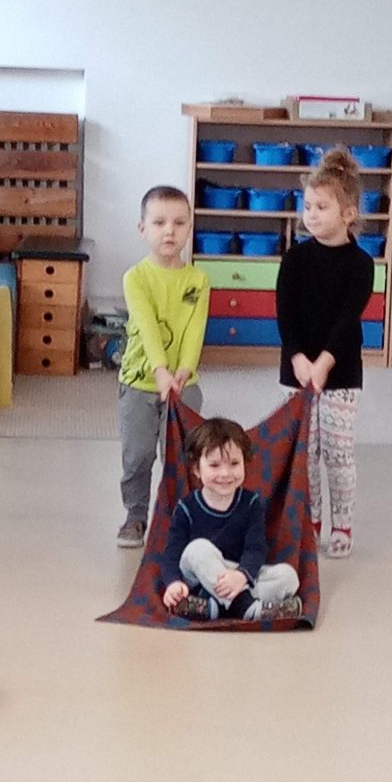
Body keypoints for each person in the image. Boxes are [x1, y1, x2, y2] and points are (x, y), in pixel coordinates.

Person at [275, 146, 375, 558]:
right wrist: (299, 359)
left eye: (322, 207)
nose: (311, 215)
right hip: (296, 372)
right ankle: (310, 520)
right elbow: (285, 314)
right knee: (304, 453)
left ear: (348, 213)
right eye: (308, 207)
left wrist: (324, 364)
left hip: (341, 373)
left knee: (337, 453)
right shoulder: (294, 259)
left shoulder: (361, 264)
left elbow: (347, 320)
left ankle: (342, 524)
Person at [117, 185, 211, 548]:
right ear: (143, 228)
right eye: (159, 223)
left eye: (179, 223)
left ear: (189, 228)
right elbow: (147, 326)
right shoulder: (135, 278)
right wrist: (160, 371)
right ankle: (135, 516)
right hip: (139, 383)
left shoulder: (198, 281)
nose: (169, 231)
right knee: (137, 456)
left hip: (184, 385)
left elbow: (195, 330)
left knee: (181, 457)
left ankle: (179, 518)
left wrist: (184, 370)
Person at [161, 417, 301, 621]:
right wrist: (173, 583)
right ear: (197, 470)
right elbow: (172, 554)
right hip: (201, 577)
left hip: (236, 574)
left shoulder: (251, 503)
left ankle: (216, 607)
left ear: (245, 463)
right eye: (214, 465)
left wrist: (241, 576)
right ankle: (246, 608)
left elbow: (255, 549)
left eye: (234, 463)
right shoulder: (186, 508)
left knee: (288, 577)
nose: (225, 473)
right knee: (197, 549)